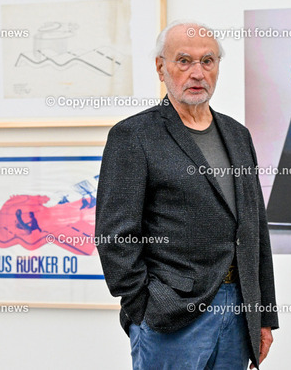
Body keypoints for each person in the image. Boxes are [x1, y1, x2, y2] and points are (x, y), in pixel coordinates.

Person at [95, 20, 278, 369]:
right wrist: (144, 306)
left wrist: (264, 314)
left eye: (207, 61)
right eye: (184, 61)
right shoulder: (133, 135)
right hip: (172, 315)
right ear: (161, 67)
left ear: (217, 66)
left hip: (239, 312)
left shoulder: (238, 135)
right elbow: (115, 236)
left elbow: (256, 231)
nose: (197, 72)